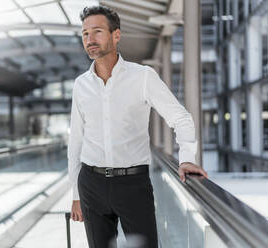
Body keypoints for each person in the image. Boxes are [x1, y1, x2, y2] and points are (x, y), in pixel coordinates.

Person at [67, 5, 208, 248]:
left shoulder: (142, 76)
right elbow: (76, 141)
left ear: (116, 35)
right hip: (91, 183)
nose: (90, 39)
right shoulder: (81, 85)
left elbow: (181, 118)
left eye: (97, 31)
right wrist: (76, 196)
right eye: (85, 33)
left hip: (133, 185)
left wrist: (186, 158)